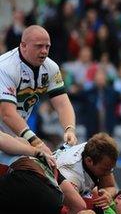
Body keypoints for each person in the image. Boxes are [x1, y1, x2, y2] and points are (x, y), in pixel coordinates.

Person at [0, 25, 78, 162]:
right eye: (39, 46)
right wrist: (36, 142)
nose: (44, 51)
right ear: (23, 45)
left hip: (17, 135)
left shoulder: (51, 68)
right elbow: (7, 114)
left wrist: (69, 129)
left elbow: (62, 104)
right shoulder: (5, 67)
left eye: (47, 47)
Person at [55, 132, 120, 214]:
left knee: (101, 201)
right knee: (87, 208)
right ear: (89, 161)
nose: (108, 173)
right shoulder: (71, 175)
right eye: (105, 169)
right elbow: (68, 211)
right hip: (52, 201)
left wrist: (108, 195)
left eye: (111, 169)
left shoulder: (99, 151)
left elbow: (109, 186)